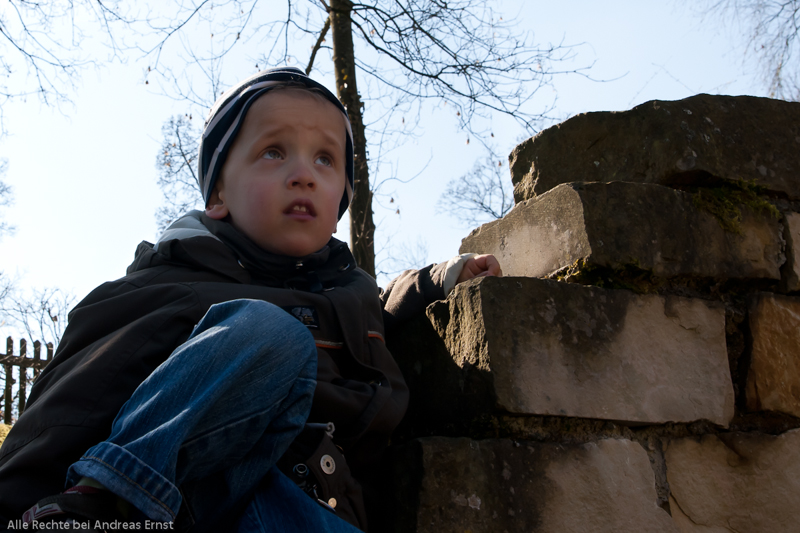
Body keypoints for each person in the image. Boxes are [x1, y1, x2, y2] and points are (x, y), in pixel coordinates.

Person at [0, 67, 501, 532]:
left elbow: (378, 310)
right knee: (271, 332)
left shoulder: (350, 296)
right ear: (218, 196)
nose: (304, 174)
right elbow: (82, 397)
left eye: (325, 159)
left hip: (304, 503)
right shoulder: (169, 286)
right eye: (274, 152)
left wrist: (439, 279)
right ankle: (109, 499)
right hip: (181, 500)